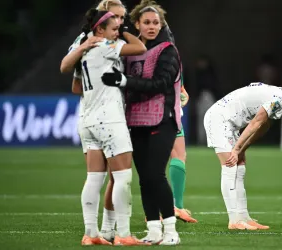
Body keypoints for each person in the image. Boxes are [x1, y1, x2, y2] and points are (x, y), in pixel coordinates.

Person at [61, 8, 148, 246]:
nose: (117, 32)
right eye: (114, 28)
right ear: (99, 29)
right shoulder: (105, 46)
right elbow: (140, 48)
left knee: (94, 179)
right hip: (109, 118)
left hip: (86, 119)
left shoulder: (85, 50)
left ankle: (91, 234)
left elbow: (75, 86)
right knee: (123, 177)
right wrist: (128, 32)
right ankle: (124, 233)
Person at [101, 0, 181, 245]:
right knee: (145, 178)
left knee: (156, 174)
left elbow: (160, 84)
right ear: (136, 24)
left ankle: (171, 231)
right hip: (135, 120)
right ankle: (154, 230)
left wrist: (124, 81)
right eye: (146, 22)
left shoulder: (168, 50)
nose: (152, 27)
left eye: (156, 22)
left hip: (162, 120)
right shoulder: (128, 50)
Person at [203, 82, 282, 230]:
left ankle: (244, 217)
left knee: (240, 166)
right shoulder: (278, 101)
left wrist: (242, 149)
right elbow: (256, 123)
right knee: (230, 165)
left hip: (231, 124)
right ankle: (233, 220)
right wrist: (236, 149)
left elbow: (263, 127)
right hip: (219, 119)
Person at [169, 75, 198, 223]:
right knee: (178, 156)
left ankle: (158, 209)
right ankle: (174, 207)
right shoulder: (170, 56)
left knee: (157, 160)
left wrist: (181, 90)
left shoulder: (139, 57)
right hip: (167, 112)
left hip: (145, 113)